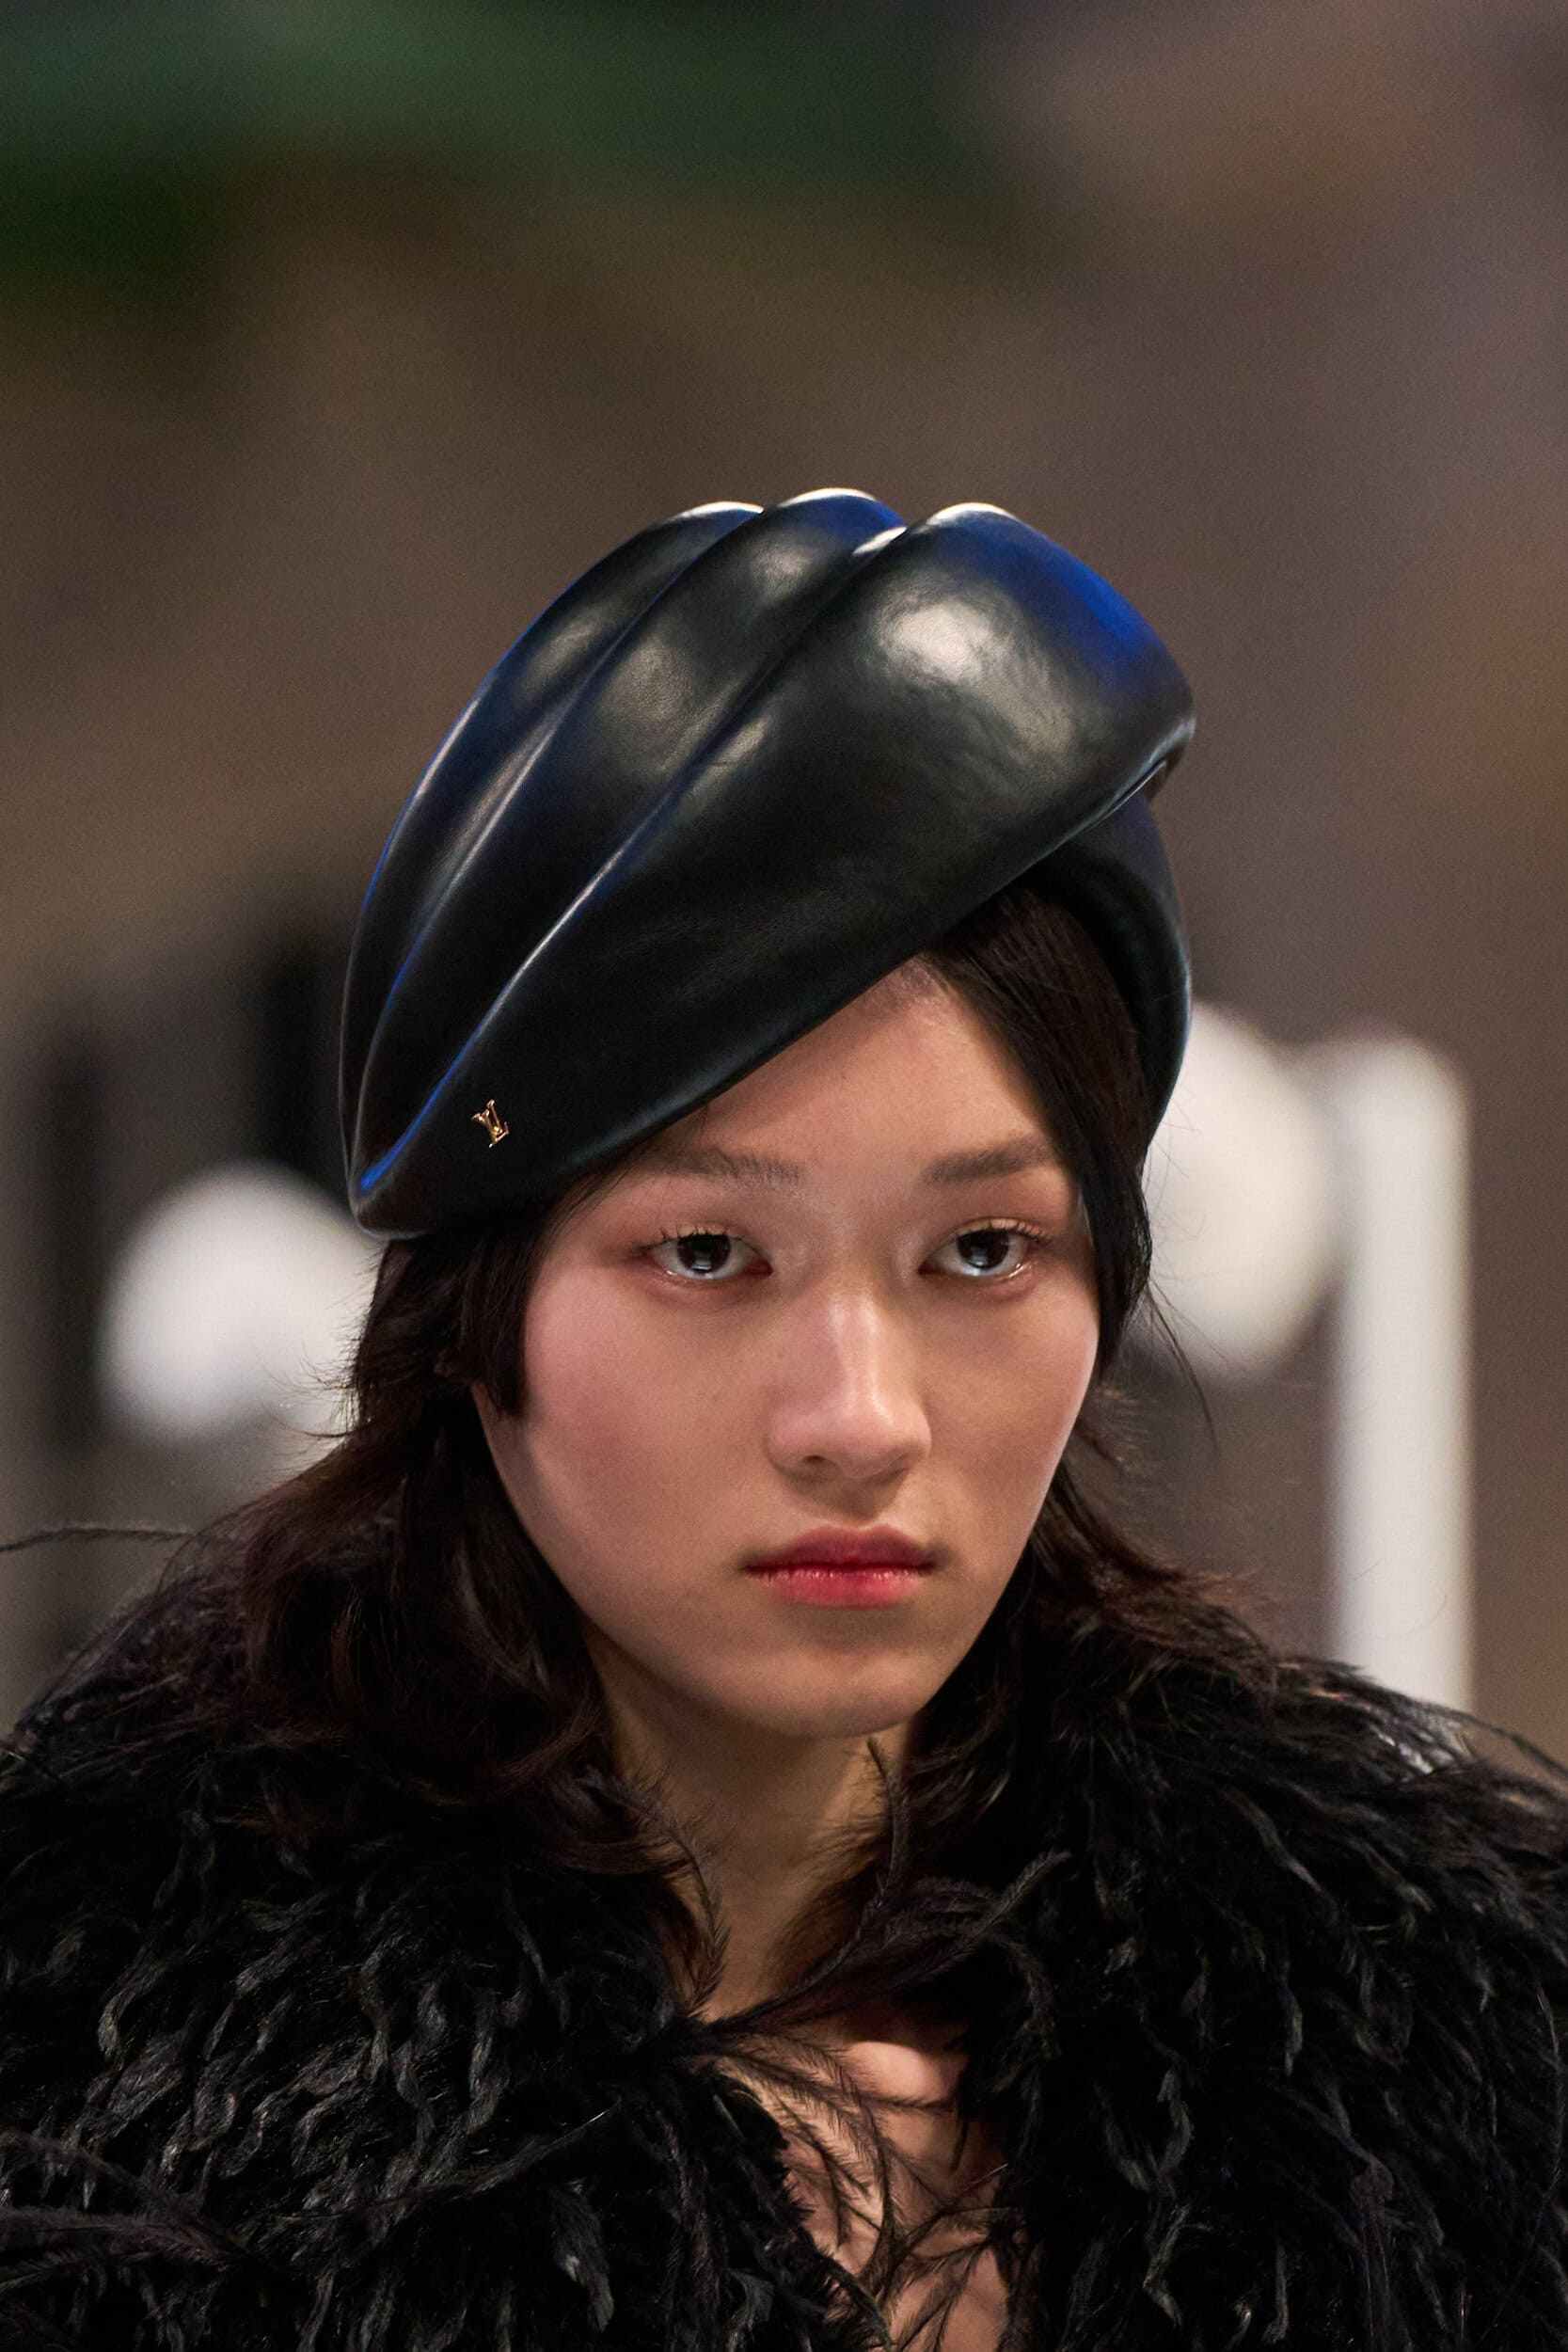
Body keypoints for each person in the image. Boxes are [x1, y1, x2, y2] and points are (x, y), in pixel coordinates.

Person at [2, 490, 1567, 2352]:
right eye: (708, 1253)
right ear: (474, 1309)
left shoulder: (1424, 2078)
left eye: (982, 1250)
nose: (859, 1418)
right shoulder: (105, 2130)